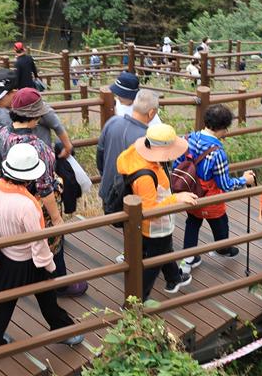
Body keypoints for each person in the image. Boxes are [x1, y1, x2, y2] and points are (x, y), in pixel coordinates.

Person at [0, 143, 83, 349]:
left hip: (5, 255)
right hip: (27, 258)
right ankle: (63, 330)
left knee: (7, 302)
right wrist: (49, 265)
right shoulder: (27, 204)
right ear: (29, 177)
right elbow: (38, 242)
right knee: (46, 295)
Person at [0, 88, 84, 296]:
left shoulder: (0, 134)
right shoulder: (39, 148)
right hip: (33, 204)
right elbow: (45, 188)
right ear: (34, 117)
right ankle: (59, 282)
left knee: (12, 242)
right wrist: (58, 220)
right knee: (53, 241)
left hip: (7, 199)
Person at [116, 123, 199, 299]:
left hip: (150, 226)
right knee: (154, 263)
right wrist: (176, 198)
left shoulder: (141, 153)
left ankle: (173, 278)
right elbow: (150, 210)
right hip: (154, 227)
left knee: (162, 250)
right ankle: (136, 300)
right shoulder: (145, 176)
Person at [181, 105, 246, 267]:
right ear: (222, 129)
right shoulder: (217, 153)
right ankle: (222, 249)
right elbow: (225, 185)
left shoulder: (188, 138)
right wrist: (244, 180)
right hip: (209, 197)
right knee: (220, 221)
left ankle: (188, 257)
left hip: (190, 191)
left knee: (193, 222)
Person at [0, 70, 73, 159]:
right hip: (14, 161)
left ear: (14, 92)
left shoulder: (35, 106)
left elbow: (57, 125)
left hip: (40, 157)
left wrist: (67, 147)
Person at [98, 89, 158, 208]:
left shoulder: (112, 122)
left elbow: (99, 157)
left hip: (108, 192)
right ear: (151, 113)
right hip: (133, 200)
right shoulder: (147, 138)